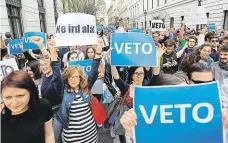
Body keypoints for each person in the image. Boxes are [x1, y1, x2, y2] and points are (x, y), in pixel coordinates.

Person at [54, 39, 103, 143]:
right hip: (72, 138)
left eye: (76, 76)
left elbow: (94, 70)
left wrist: (98, 52)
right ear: (66, 78)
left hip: (90, 135)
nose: (73, 79)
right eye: (70, 77)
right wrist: (52, 52)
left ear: (80, 78)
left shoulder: (85, 88)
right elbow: (56, 76)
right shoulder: (63, 91)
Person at [1, 71, 54, 143]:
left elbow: (49, 135)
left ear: (31, 92)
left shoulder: (43, 107)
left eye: (20, 96)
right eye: (8, 97)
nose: (14, 103)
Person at [31, 37, 64, 111]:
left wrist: (50, 49)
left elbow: (53, 62)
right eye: (41, 65)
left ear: (51, 64)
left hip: (57, 112)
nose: (43, 67)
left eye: (46, 64)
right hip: (46, 111)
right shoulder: (43, 76)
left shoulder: (57, 78)